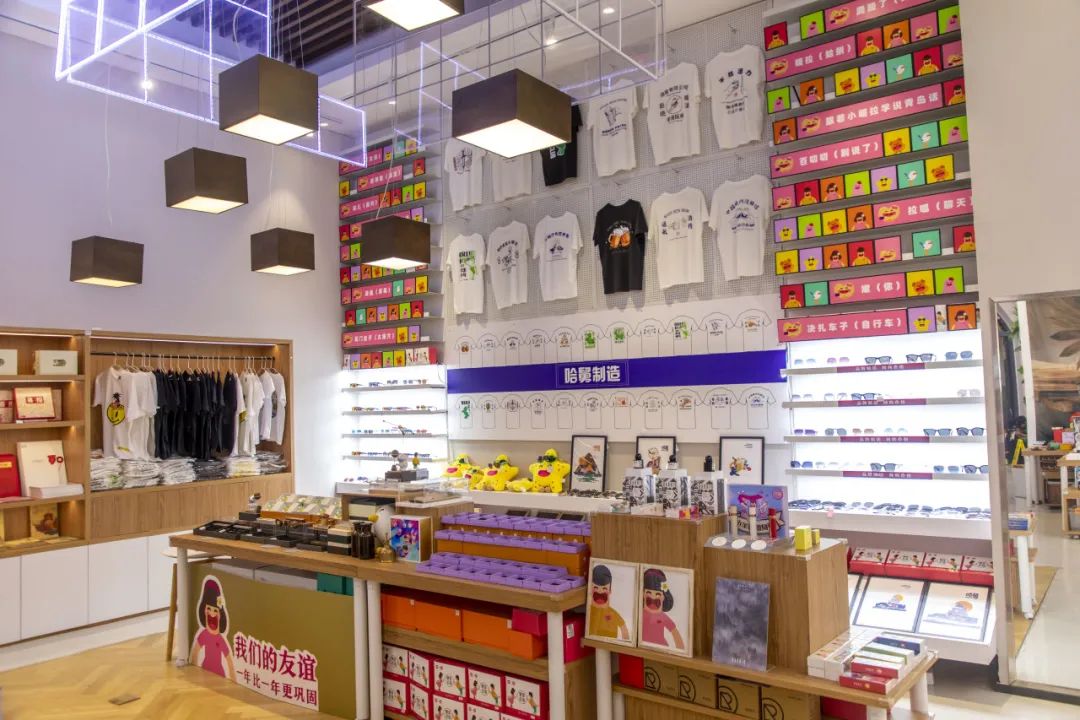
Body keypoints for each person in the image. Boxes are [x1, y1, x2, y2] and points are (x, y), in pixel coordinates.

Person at [189, 577, 236, 681]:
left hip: (220, 673)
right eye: (209, 609)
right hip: (205, 669)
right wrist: (193, 673)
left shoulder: (220, 639)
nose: (212, 613)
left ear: (220, 615)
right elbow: (195, 653)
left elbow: (229, 662)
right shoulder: (204, 635)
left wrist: (233, 678)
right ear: (204, 610)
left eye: (215, 610)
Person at [640, 568, 685, 650]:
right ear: (643, 594)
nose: (653, 597)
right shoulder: (640, 614)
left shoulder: (663, 617)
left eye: (657, 594)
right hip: (643, 647)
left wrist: (680, 651)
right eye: (649, 593)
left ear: (663, 597)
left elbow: (675, 633)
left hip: (660, 648)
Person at [588, 564, 629, 640]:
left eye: (604, 588)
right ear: (590, 590)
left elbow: (623, 627)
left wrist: (625, 642)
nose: (600, 591)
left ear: (610, 591)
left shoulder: (612, 613)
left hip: (610, 643)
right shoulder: (589, 611)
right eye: (596, 587)